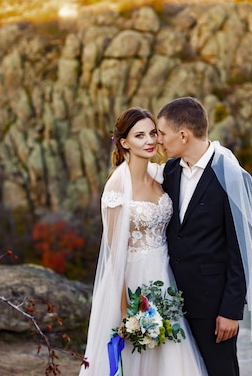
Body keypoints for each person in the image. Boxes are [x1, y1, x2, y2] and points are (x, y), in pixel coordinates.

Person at [156, 97, 252, 376]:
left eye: (162, 134)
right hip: (172, 300)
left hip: (213, 307)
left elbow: (243, 251)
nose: (159, 141)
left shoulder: (233, 177)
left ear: (183, 135)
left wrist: (231, 311)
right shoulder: (170, 172)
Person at [79, 107, 208, 376]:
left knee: (171, 354)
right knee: (134, 357)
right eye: (140, 136)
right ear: (124, 142)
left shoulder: (161, 175)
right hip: (132, 281)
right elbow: (115, 256)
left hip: (165, 278)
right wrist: (127, 313)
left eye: (152, 133)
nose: (149, 141)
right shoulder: (116, 186)